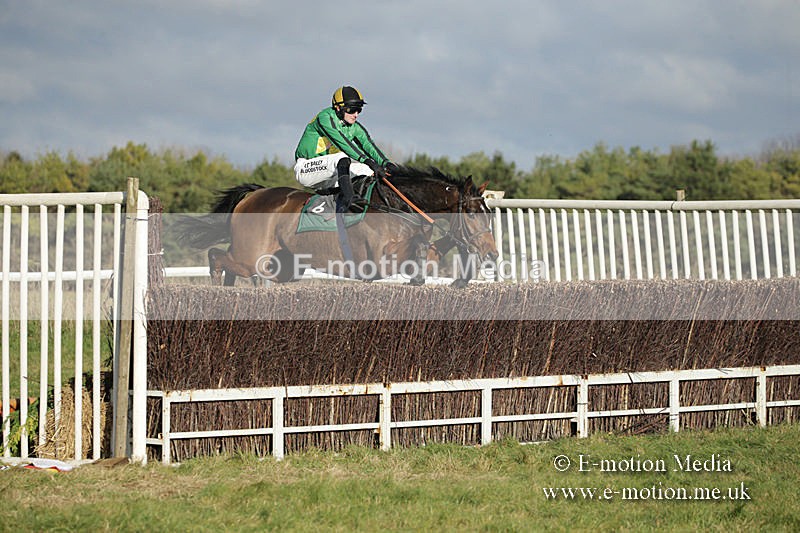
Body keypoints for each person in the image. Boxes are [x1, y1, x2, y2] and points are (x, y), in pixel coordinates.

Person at [294, 85, 398, 212]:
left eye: (359, 110)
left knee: (367, 171)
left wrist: (385, 163)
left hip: (331, 173)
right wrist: (369, 161)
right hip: (307, 169)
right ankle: (350, 200)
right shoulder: (325, 117)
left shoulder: (354, 126)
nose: (356, 114)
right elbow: (343, 143)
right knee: (343, 157)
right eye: (352, 109)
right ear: (338, 107)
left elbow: (368, 145)